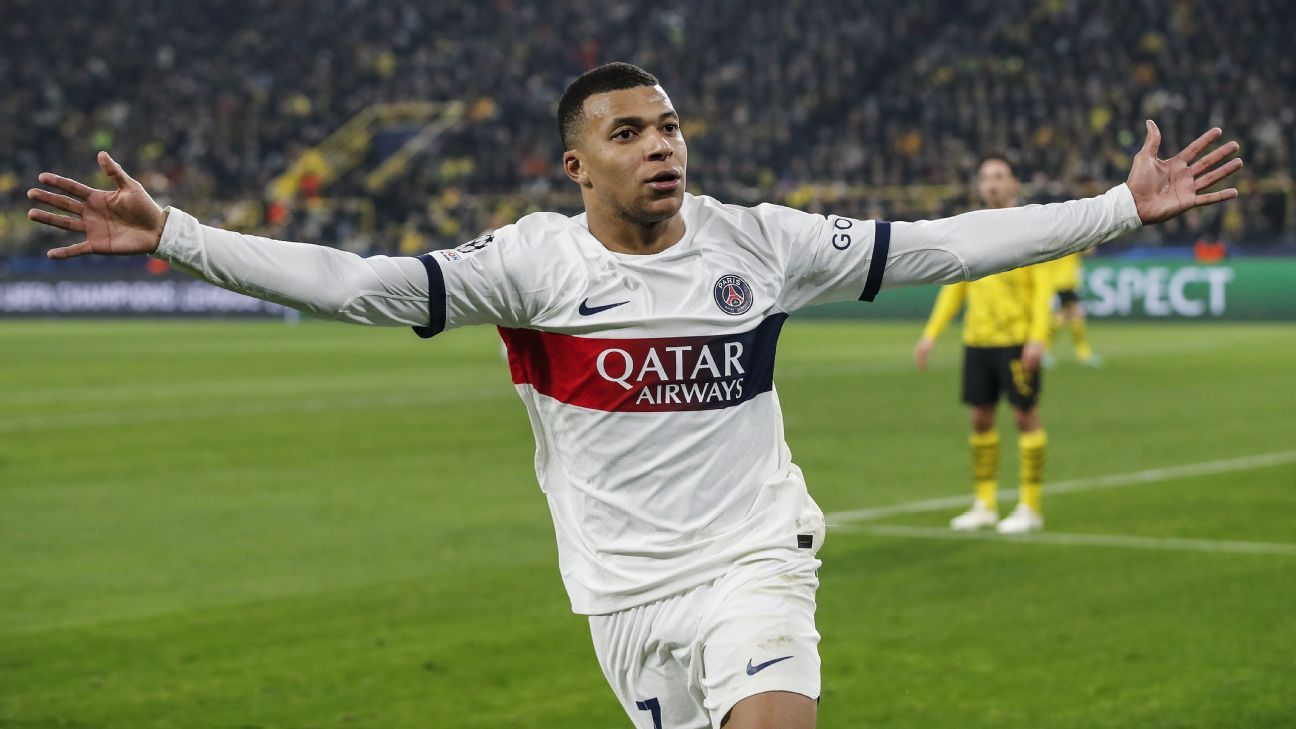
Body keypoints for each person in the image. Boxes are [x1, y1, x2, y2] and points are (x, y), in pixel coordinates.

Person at [27, 62, 1241, 729]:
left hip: (756, 558)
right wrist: (177, 234)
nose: (662, 146)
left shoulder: (758, 242)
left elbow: (943, 245)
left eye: (669, 126)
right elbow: (354, 285)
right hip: (621, 596)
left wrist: (1119, 207)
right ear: (577, 164)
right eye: (629, 133)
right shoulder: (531, 267)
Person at [914, 155, 1057, 535]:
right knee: (980, 418)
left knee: (1025, 417)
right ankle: (985, 503)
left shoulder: (1030, 228)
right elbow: (955, 288)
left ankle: (1030, 506)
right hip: (977, 340)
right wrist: (931, 334)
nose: (991, 183)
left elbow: (1043, 288)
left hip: (1016, 342)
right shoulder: (971, 229)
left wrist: (1038, 337)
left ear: (1013, 183)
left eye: (999, 176)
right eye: (985, 177)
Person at [1044, 248, 1102, 367]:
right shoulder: (1069, 241)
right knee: (1073, 314)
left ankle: (1082, 353)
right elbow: (1089, 252)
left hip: (1062, 281)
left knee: (1068, 315)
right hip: (1065, 281)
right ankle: (1083, 353)